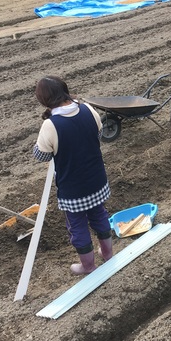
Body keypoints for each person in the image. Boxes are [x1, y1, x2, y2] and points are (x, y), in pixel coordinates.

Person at [33, 76, 113, 275]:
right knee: (99, 214)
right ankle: (108, 254)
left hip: (73, 187)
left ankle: (88, 266)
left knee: (77, 225)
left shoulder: (51, 125)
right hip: (96, 178)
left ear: (45, 100)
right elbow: (99, 135)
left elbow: (41, 155)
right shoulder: (88, 110)